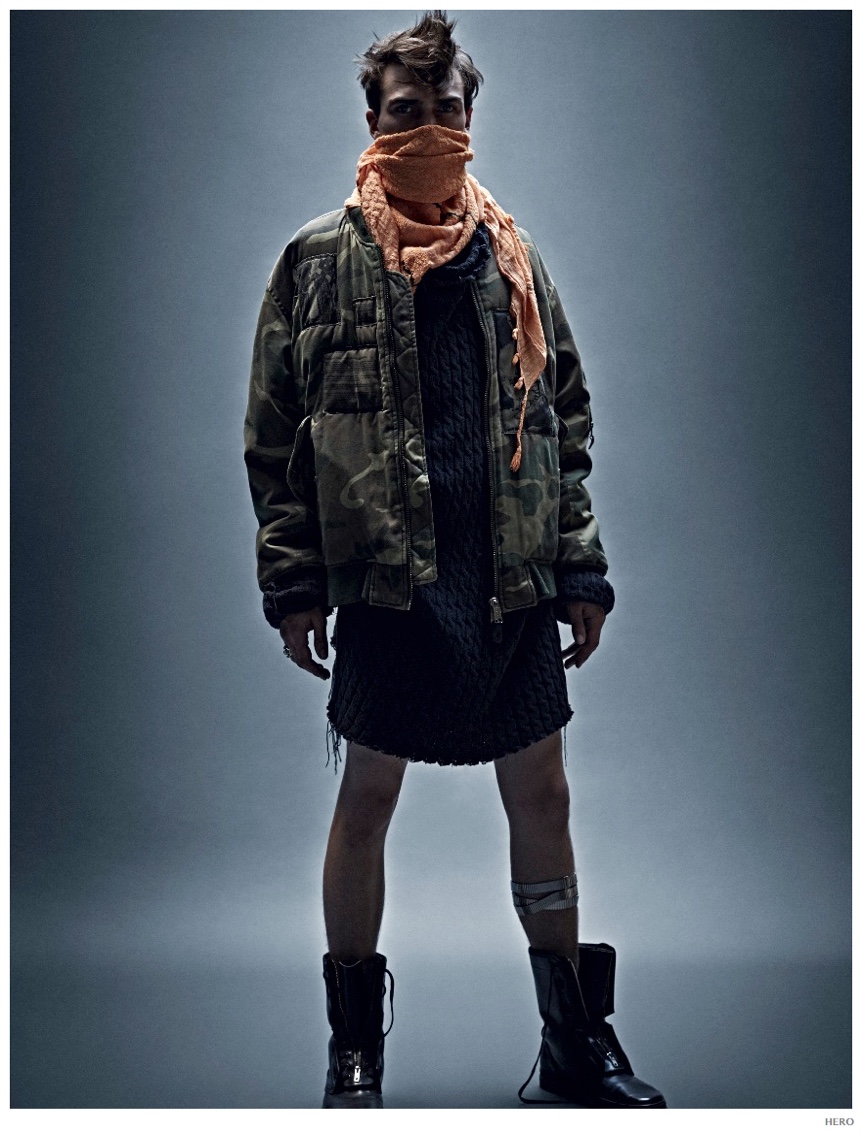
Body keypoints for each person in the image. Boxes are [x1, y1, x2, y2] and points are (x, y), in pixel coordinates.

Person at [243, 10, 665, 1109]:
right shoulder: (316, 263)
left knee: (544, 793)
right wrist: (294, 583)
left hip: (507, 574)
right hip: (390, 579)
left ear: (470, 117)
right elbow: (274, 438)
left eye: (445, 108)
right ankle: (353, 1053)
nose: (428, 127)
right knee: (366, 798)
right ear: (371, 123)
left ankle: (572, 1043)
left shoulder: (511, 258)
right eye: (405, 110)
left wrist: (579, 567)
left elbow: (564, 415)